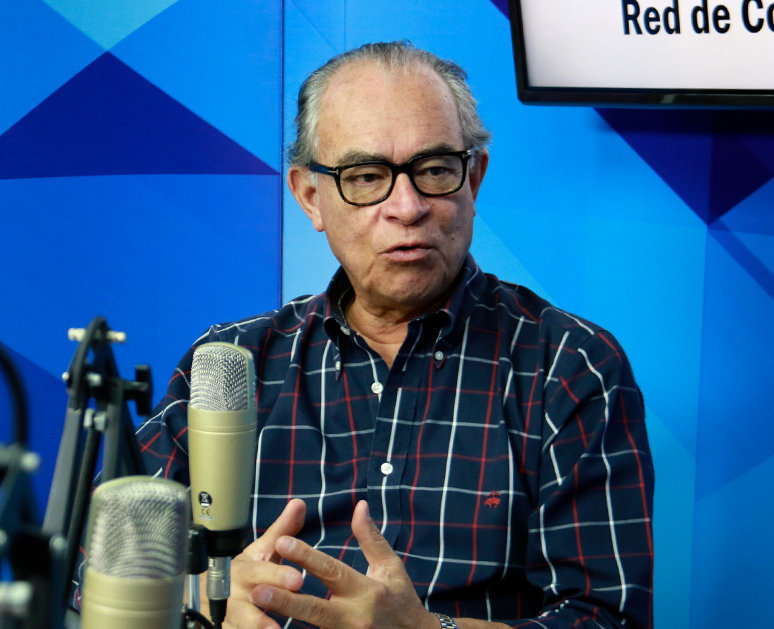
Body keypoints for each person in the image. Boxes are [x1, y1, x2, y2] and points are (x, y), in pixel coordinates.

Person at [136, 42, 654, 629]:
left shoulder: (569, 366)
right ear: (310, 197)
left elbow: (609, 619)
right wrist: (205, 599)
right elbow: (95, 570)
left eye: (434, 170)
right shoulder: (232, 364)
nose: (406, 207)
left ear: (474, 179)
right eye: (365, 177)